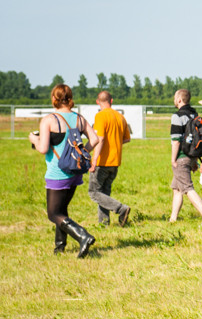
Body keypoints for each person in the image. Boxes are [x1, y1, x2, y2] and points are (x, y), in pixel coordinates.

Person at [29, 84, 100, 258]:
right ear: (70, 98)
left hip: (57, 172)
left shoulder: (49, 120)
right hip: (75, 172)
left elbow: (43, 148)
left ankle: (83, 236)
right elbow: (95, 139)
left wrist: (34, 138)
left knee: (53, 214)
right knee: (62, 209)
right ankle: (59, 247)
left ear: (54, 99)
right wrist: (82, 154)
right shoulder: (79, 118)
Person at [169, 89, 202, 225]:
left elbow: (176, 140)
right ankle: (173, 219)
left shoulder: (177, 116)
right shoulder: (194, 114)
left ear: (179, 100)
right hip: (192, 155)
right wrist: (194, 160)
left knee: (187, 188)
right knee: (177, 189)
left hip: (181, 157)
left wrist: (173, 159)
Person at [88, 91, 132, 226]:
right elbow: (126, 138)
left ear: (97, 102)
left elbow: (99, 139)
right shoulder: (120, 117)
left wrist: (94, 159)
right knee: (104, 193)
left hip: (102, 161)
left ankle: (121, 209)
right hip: (115, 162)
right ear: (111, 101)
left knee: (94, 192)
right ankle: (104, 223)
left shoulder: (100, 116)